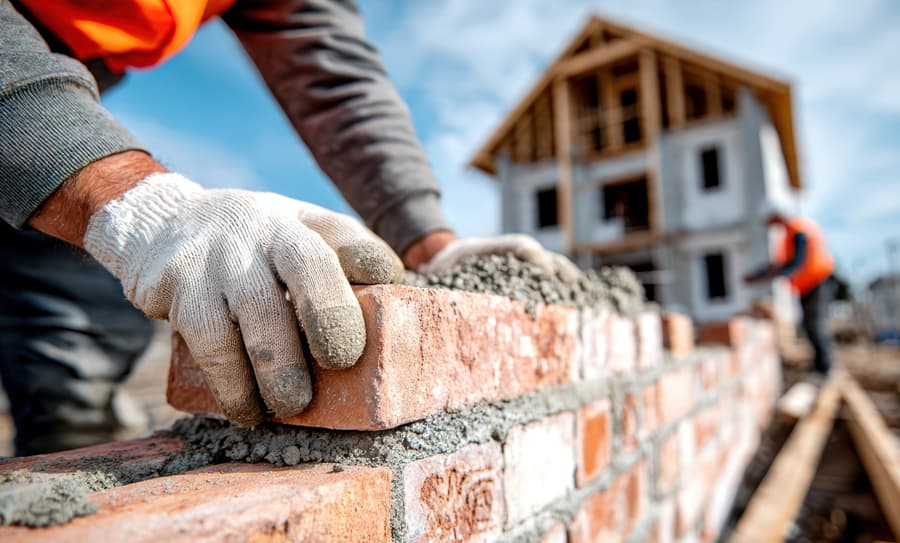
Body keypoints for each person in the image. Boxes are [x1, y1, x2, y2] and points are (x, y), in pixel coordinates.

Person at [0, 0, 573, 456]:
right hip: (26, 83)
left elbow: (336, 81)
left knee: (75, 365)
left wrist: (430, 241)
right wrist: (142, 207)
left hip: (59, 88)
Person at [745, 205, 837, 375]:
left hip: (818, 280)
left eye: (770, 221)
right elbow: (783, 263)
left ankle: (825, 369)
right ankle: (821, 366)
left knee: (814, 324)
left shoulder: (798, 230)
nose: (770, 225)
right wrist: (761, 274)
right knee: (810, 324)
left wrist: (765, 275)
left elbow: (795, 264)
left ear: (777, 216)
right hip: (809, 284)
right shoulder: (789, 233)